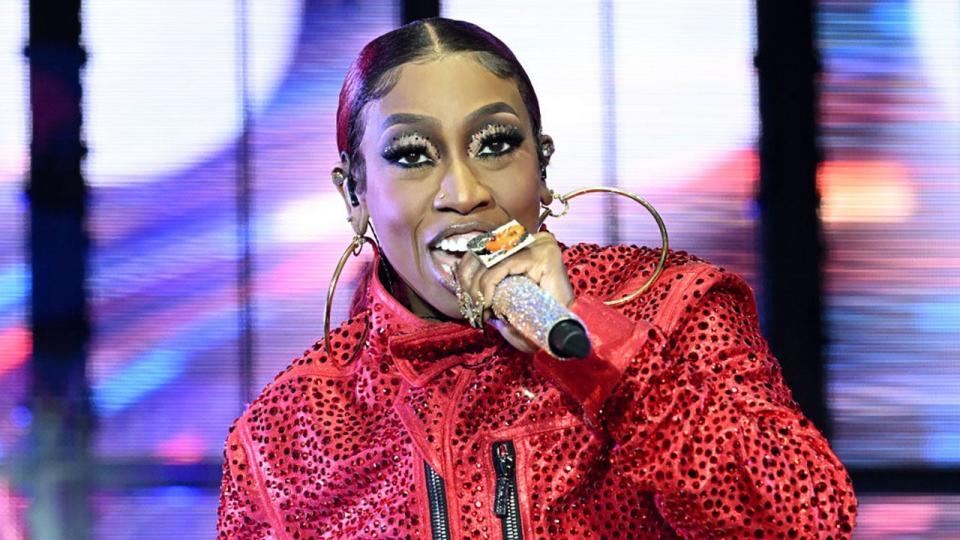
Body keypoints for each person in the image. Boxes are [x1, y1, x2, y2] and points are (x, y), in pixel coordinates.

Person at [217, 17, 857, 539]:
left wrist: (597, 349)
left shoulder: (673, 310)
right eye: (412, 155)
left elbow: (805, 520)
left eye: (494, 144)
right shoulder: (288, 429)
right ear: (354, 194)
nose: (463, 192)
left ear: (542, 166)